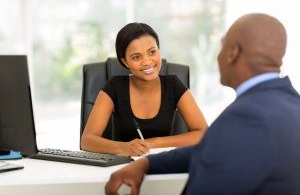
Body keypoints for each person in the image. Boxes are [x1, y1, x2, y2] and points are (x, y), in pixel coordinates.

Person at [105, 13, 300, 195]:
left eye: (222, 46)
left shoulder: (245, 117)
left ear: (232, 52)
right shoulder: (291, 103)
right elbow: (212, 149)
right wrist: (147, 164)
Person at [81, 23, 208, 156]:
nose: (147, 62)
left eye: (152, 52)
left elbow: (203, 133)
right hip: (124, 167)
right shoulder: (115, 86)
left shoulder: (174, 85)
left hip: (164, 164)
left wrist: (151, 143)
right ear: (125, 62)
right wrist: (123, 148)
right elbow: (87, 140)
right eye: (136, 57)